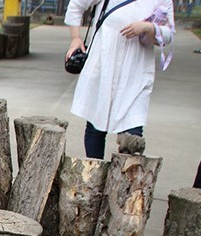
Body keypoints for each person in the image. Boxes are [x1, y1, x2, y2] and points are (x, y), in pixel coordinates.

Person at [65, 0, 175, 159]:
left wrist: (147, 28)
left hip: (136, 69)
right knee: (96, 125)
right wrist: (75, 38)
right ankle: (94, 174)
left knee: (134, 134)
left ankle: (125, 179)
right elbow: (76, 5)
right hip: (103, 63)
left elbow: (168, 34)